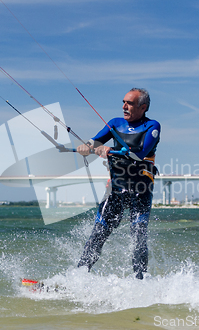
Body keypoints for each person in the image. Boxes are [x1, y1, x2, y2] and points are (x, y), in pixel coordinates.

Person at [76, 88, 160, 280]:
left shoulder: (152, 126)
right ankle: (78, 276)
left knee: (138, 237)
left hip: (141, 189)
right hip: (115, 189)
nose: (124, 106)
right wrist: (87, 147)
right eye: (123, 102)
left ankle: (141, 281)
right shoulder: (115, 123)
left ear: (143, 107)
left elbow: (138, 153)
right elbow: (95, 141)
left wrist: (108, 150)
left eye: (129, 103)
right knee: (98, 234)